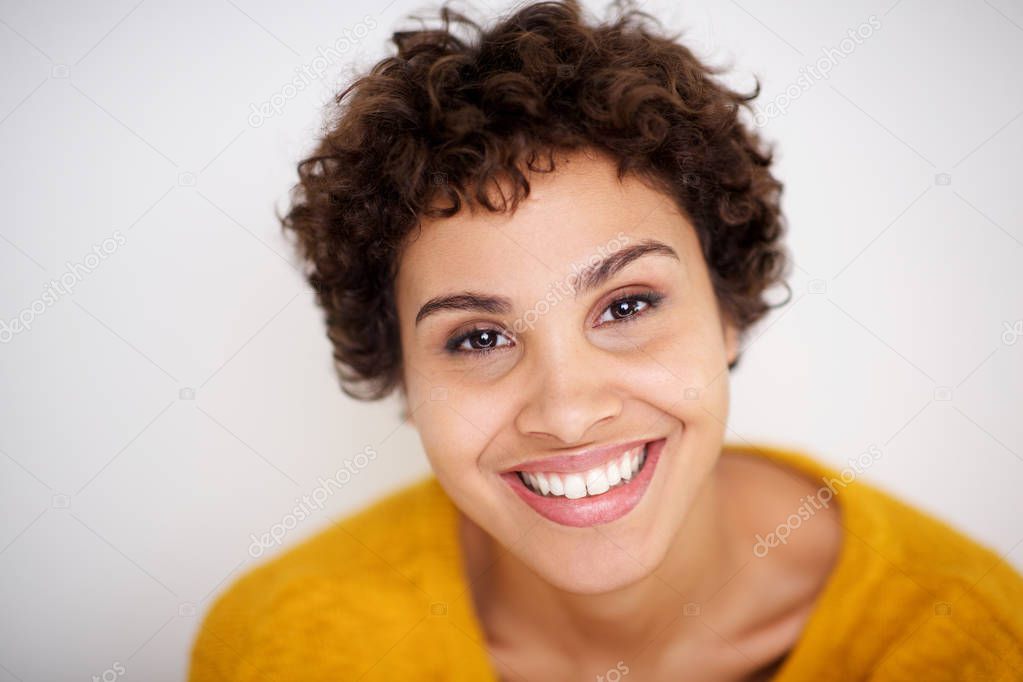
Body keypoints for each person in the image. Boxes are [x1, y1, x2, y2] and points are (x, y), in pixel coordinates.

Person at [188, 1, 1023, 679]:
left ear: (727, 305)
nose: (568, 409)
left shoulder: (969, 640)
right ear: (400, 374)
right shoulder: (283, 647)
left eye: (625, 307)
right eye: (478, 336)